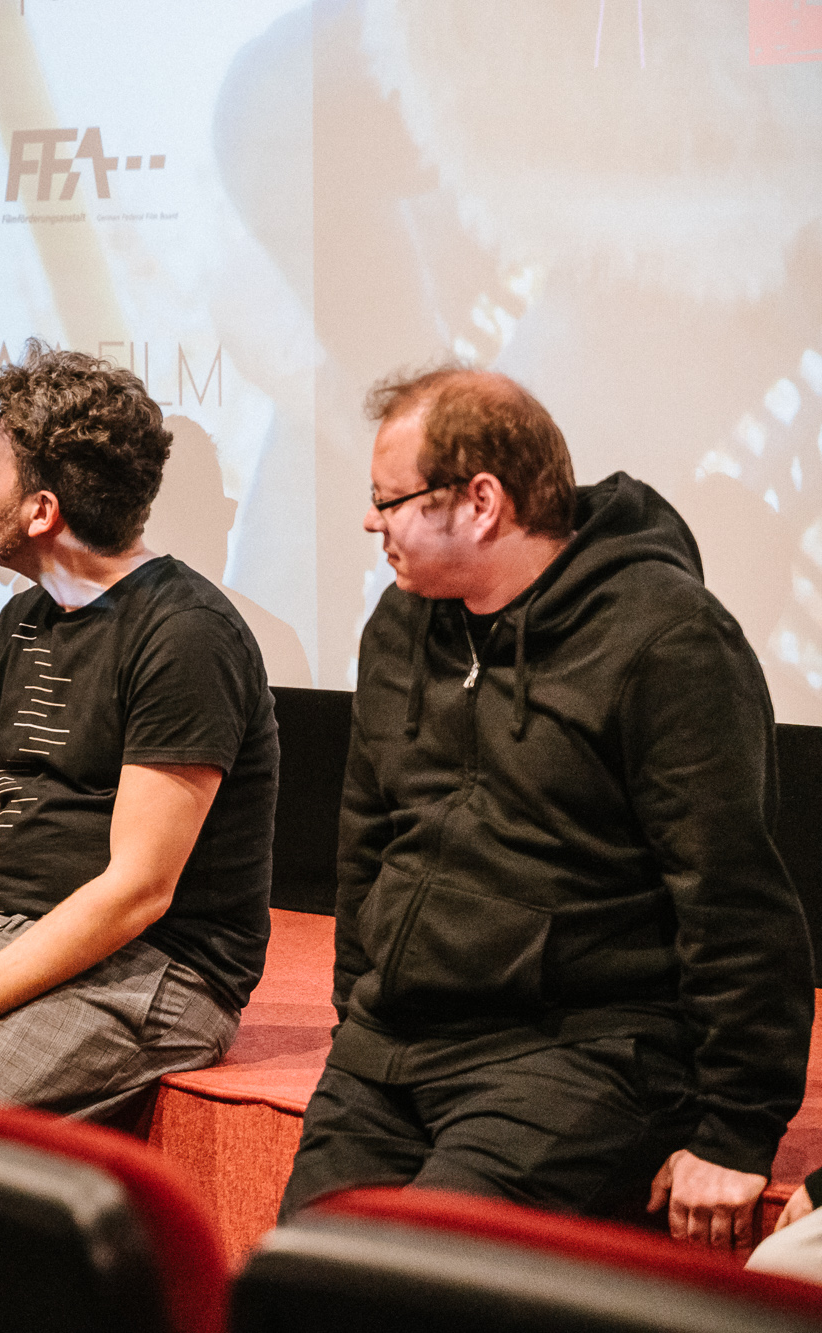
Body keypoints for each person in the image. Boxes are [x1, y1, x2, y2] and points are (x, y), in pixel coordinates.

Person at [279, 366, 813, 1249]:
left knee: (414, 1283)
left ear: (481, 502)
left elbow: (732, 893)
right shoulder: (398, 625)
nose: (372, 521)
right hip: (390, 1048)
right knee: (295, 1281)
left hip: (580, 1050)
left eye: (391, 499)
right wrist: (355, 1022)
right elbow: (368, 843)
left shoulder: (666, 637)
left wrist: (736, 1127)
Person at [0, 342, 279, 1122]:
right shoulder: (21, 621)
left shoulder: (187, 636)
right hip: (12, 926)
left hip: (157, 966)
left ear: (42, 510)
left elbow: (138, 891)